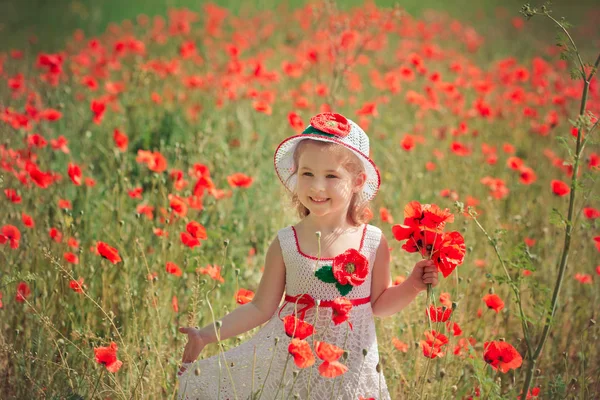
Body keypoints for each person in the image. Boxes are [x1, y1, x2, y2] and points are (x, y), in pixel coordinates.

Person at [177, 112, 439, 399]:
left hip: (350, 371)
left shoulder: (373, 241)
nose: (317, 186)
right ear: (296, 174)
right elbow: (259, 309)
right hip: (293, 370)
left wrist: (413, 285)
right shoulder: (286, 243)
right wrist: (205, 336)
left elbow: (379, 305)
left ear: (357, 181)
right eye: (307, 174)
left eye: (331, 176)